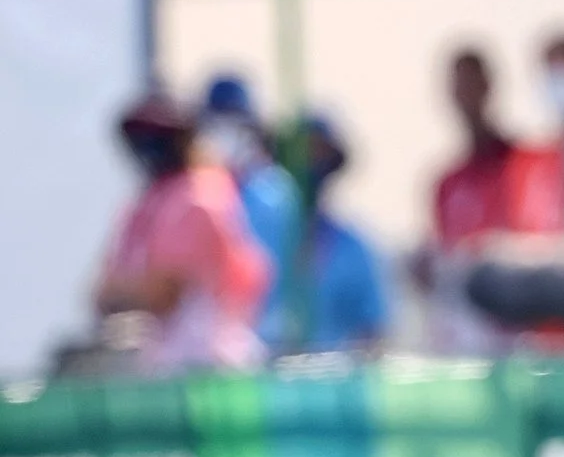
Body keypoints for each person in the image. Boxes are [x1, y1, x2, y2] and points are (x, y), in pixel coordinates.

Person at [93, 88, 272, 376]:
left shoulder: (199, 196)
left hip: (210, 366)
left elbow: (163, 295)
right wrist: (127, 291)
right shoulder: (147, 202)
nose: (147, 147)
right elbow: (99, 294)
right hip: (162, 367)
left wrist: (126, 291)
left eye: (157, 136)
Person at [429, 48, 564, 251]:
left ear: (487, 86)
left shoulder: (533, 166)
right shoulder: (449, 186)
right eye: (461, 86)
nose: (467, 95)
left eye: (472, 84)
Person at [198, 74, 303, 347]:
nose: (225, 132)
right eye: (216, 122)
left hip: (271, 337)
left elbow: (283, 269)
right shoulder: (200, 189)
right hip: (213, 342)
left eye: (235, 122)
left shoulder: (276, 192)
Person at [295, 114, 391, 353]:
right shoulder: (261, 238)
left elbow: (374, 334)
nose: (310, 164)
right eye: (300, 153)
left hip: (336, 373)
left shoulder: (356, 248)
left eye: (320, 154)